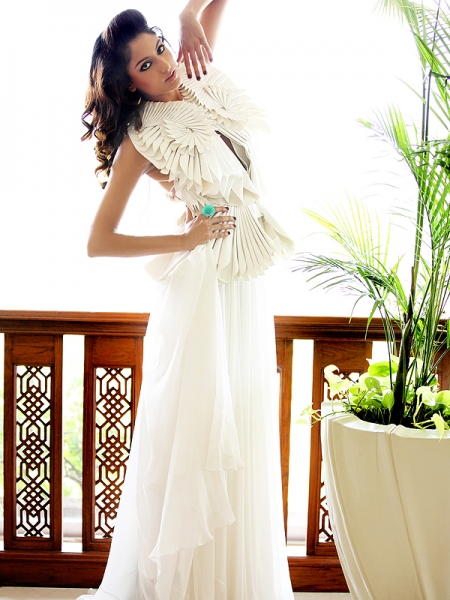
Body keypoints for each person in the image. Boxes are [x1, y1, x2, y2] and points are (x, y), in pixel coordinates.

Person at [77, 1, 295, 598]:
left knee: (242, 428)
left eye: (160, 49)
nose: (164, 64)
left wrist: (187, 15)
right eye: (146, 64)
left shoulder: (199, 73)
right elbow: (99, 241)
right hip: (201, 291)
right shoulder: (143, 137)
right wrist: (184, 238)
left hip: (244, 282)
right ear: (130, 84)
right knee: (200, 439)